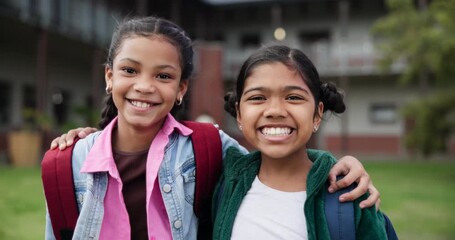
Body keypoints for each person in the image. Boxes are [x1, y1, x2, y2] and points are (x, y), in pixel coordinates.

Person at [46, 16, 380, 240]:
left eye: (163, 76)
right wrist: (82, 138)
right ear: (110, 77)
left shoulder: (207, 146)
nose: (144, 86)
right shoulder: (70, 162)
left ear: (181, 89)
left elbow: (276, 158)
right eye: (130, 70)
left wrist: (336, 165)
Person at [213, 45, 389, 239]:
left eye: (293, 97)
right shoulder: (221, 182)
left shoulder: (350, 197)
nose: (275, 110)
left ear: (317, 113)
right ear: (239, 114)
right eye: (257, 98)